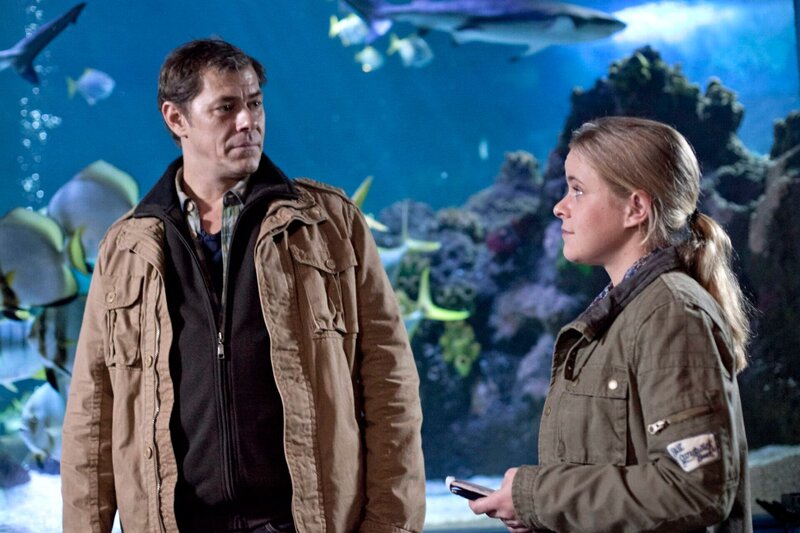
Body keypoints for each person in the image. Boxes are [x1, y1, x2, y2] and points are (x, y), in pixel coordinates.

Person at [61, 38, 425, 533]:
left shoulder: (332, 225)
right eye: (226, 107)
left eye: (254, 104)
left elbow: (390, 386)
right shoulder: (125, 248)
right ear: (176, 118)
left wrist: (391, 524)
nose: (247, 122)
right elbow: (92, 415)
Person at [470, 116, 752, 532]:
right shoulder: (626, 312)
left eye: (578, 190)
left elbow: (694, 490)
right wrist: (544, 513)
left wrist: (538, 495)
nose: (560, 206)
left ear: (635, 208)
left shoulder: (671, 313)